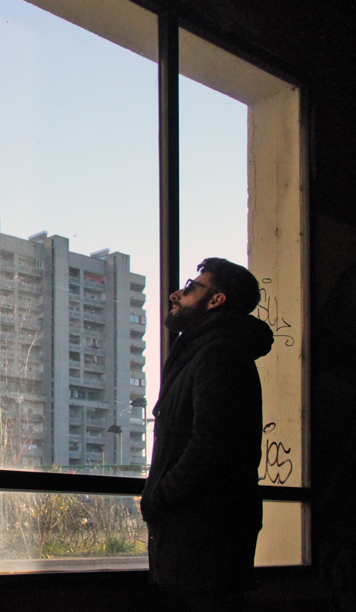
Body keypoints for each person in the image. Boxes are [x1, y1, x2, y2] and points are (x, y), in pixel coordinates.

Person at [140, 258, 273, 611]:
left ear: (216, 300)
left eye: (190, 287)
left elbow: (212, 445)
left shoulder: (219, 355)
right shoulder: (204, 353)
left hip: (206, 540)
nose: (176, 294)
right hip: (199, 538)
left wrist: (162, 497)